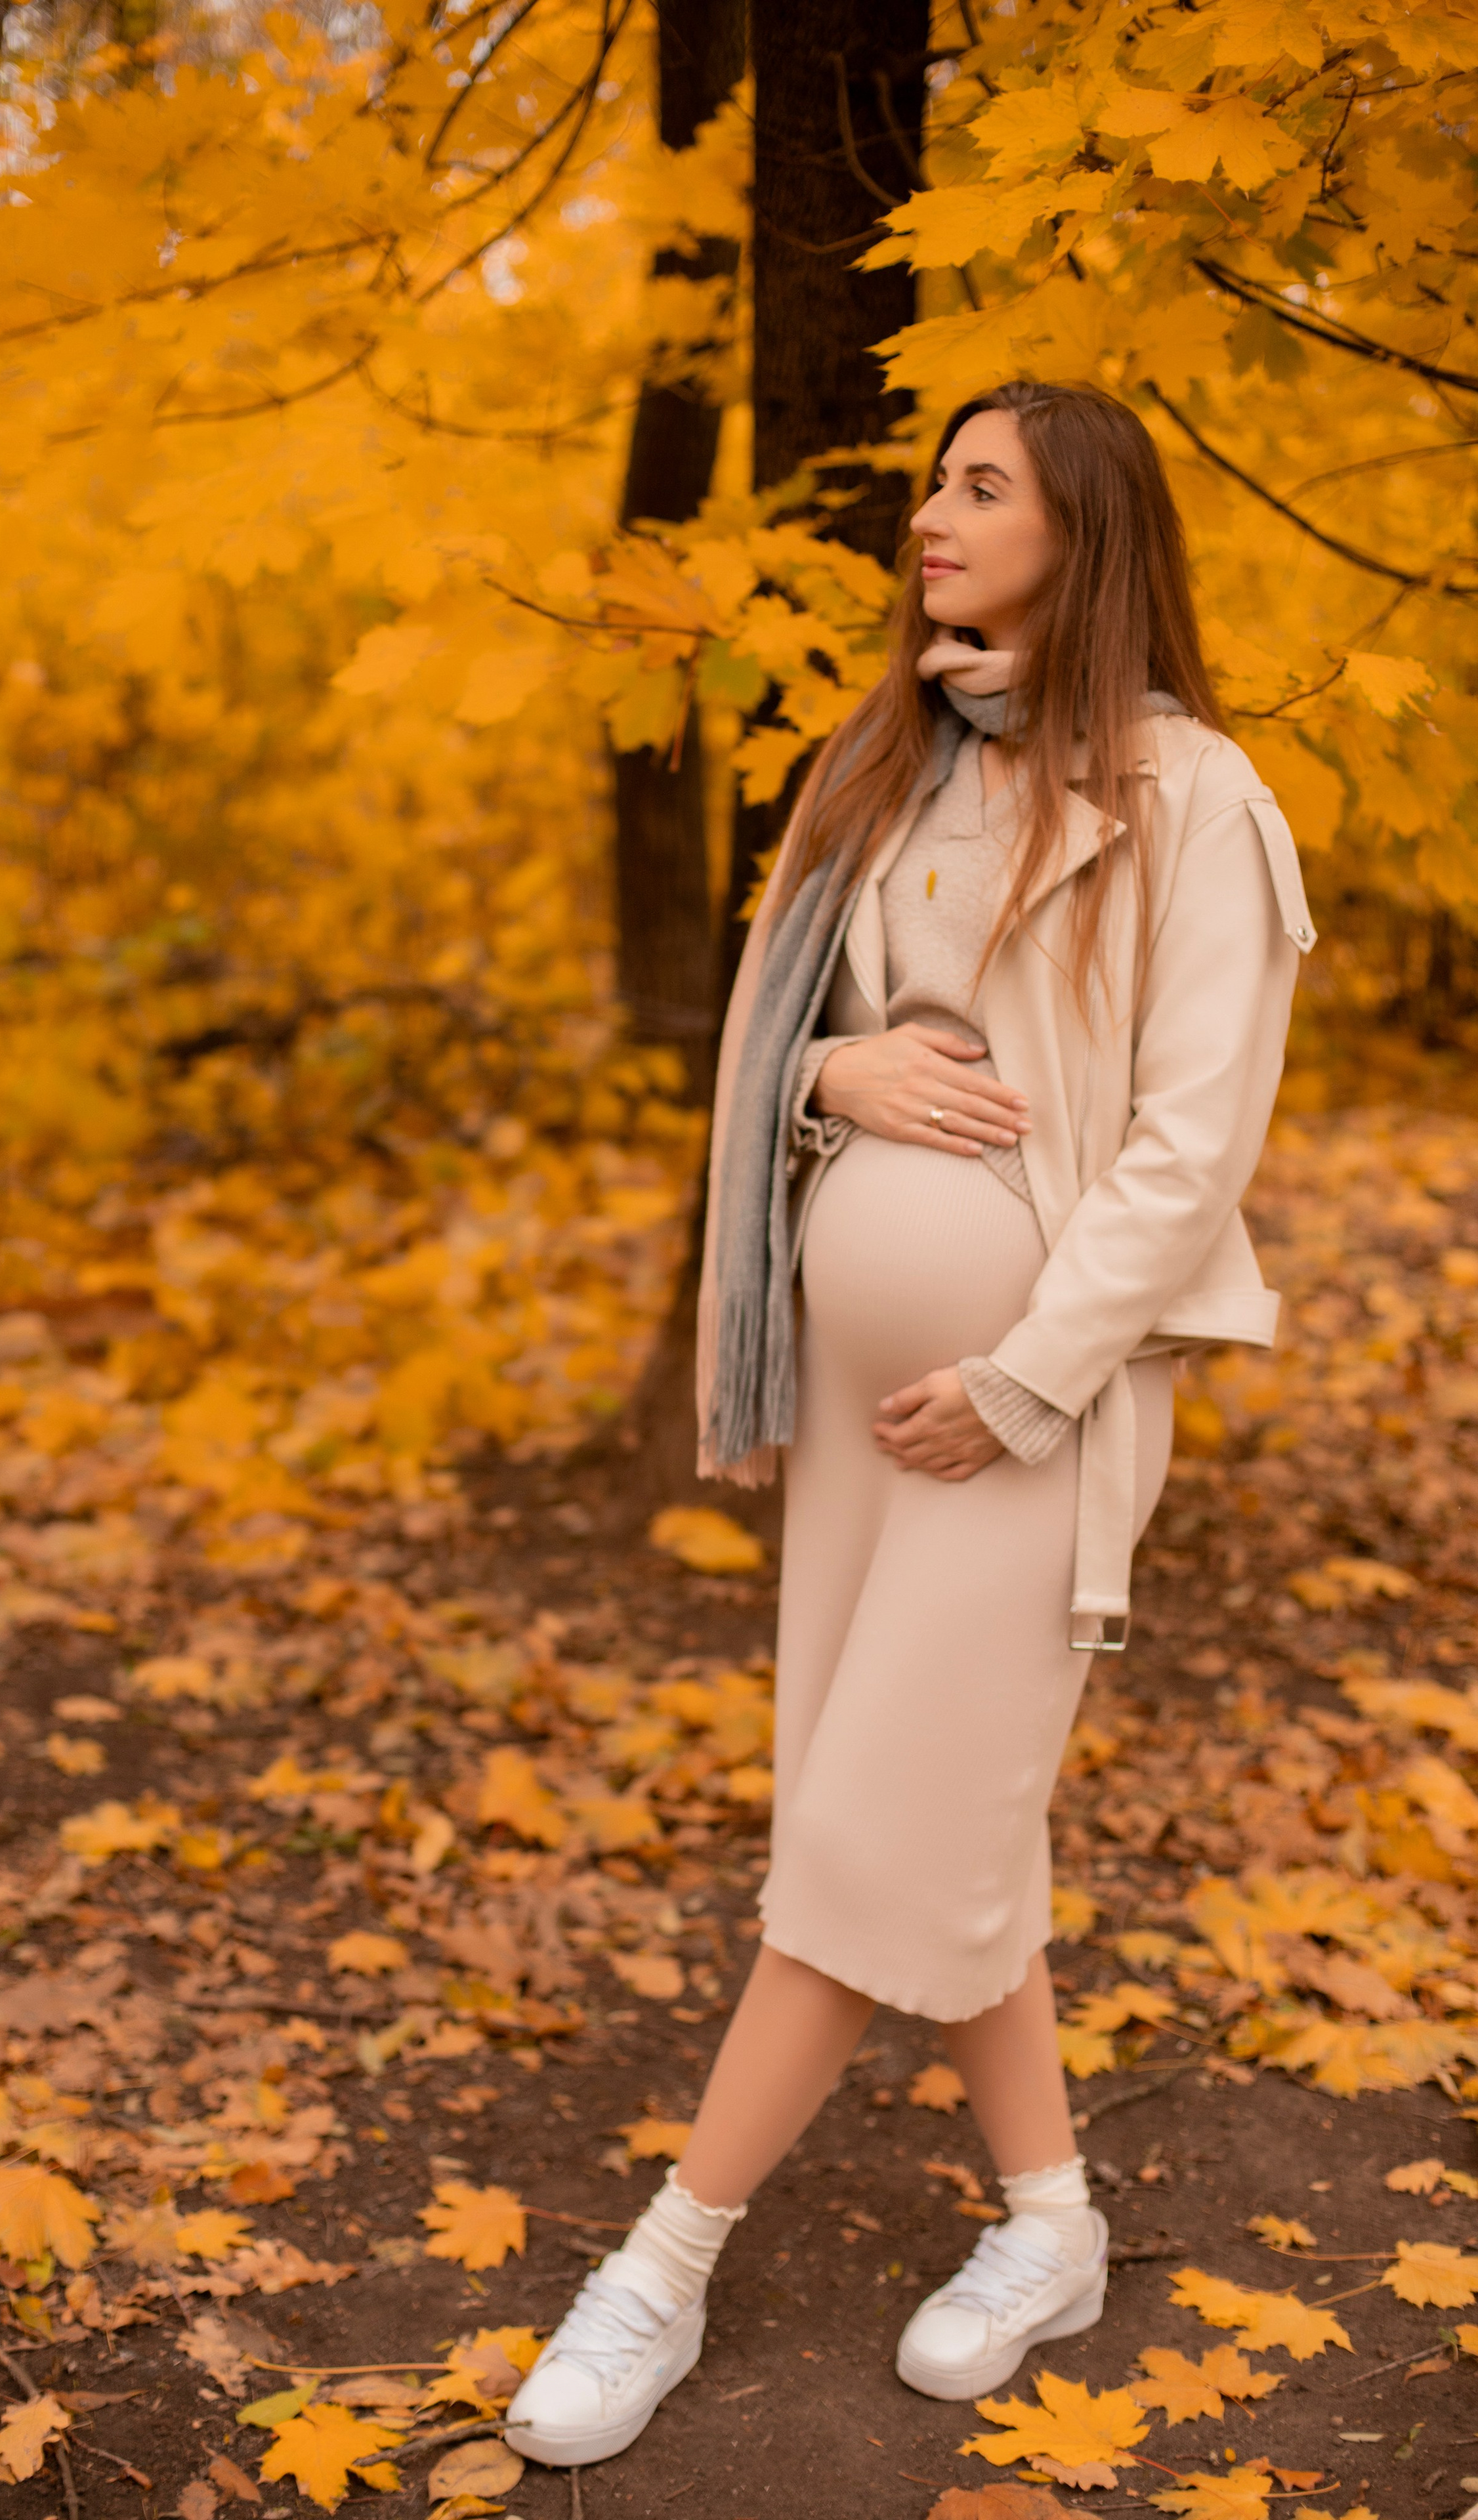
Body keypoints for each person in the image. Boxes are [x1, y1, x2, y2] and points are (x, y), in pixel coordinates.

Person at [504, 380, 1315, 2469]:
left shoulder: (1192, 796)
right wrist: (826, 1087)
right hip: (869, 1410)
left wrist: (1030, 1374)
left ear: (1086, 528)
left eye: (980, 489)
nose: (931, 518)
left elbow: (1192, 1141)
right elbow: (814, 1037)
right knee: (920, 1815)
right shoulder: (883, 765)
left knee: (869, 1834)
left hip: (1027, 1414)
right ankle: (1053, 2223)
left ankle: (666, 2263)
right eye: (931, 483)